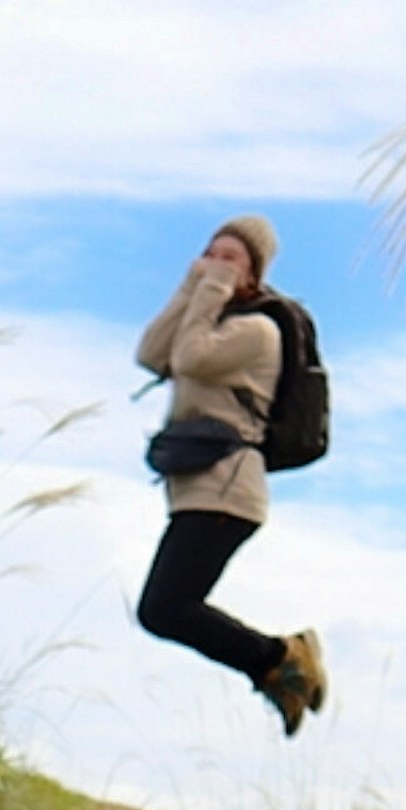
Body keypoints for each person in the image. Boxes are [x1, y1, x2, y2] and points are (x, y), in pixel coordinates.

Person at [134, 214, 327, 734]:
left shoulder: (257, 331)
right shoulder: (212, 321)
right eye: (209, 254)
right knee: (167, 608)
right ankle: (278, 668)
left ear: (254, 276)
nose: (215, 265)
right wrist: (189, 288)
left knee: (163, 608)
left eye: (230, 259)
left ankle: (282, 657)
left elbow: (192, 359)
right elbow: (153, 354)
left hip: (226, 493)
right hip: (201, 492)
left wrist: (210, 288)